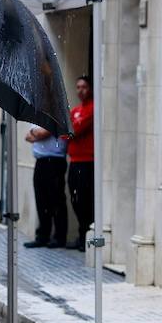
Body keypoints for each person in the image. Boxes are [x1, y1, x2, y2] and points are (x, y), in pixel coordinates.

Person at [24, 124, 68, 249]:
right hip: (41, 161)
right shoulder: (38, 118)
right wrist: (35, 133)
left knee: (56, 200)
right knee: (41, 200)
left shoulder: (56, 115)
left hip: (55, 160)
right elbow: (27, 137)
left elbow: (43, 133)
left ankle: (59, 237)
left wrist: (34, 132)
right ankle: (42, 236)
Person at [67, 75, 94, 252]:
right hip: (74, 161)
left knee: (85, 199)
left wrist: (72, 129)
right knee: (75, 199)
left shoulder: (92, 108)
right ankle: (81, 232)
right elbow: (66, 131)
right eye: (77, 87)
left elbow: (75, 129)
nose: (80, 90)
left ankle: (86, 234)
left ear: (90, 89)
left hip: (87, 161)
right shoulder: (75, 110)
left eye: (83, 87)